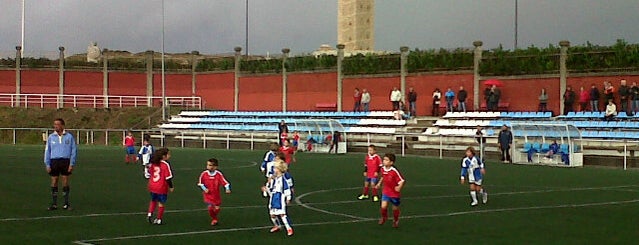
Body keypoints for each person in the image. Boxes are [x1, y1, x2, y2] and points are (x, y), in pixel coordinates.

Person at [44, 118, 78, 211]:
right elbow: (47, 151)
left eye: (57, 124)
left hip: (65, 161)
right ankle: (54, 204)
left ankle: (66, 203)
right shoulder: (51, 137)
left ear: (62, 126)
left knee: (65, 181)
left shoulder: (69, 137)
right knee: (54, 181)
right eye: (54, 124)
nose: (55, 126)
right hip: (54, 161)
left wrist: (71, 163)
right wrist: (47, 164)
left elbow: (73, 150)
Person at [262, 163, 294, 236]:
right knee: (272, 214)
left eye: (275, 168)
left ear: (279, 170)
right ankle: (277, 225)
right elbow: (271, 188)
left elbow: (286, 189)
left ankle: (289, 228)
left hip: (280, 198)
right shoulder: (274, 179)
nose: (274, 169)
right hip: (273, 198)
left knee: (282, 214)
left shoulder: (283, 179)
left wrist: (288, 198)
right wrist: (266, 189)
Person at [375, 153, 405, 228]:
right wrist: (379, 183)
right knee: (383, 206)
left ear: (391, 162)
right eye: (384, 159)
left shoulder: (394, 171)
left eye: (386, 160)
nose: (384, 161)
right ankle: (384, 217)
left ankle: (395, 220)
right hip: (386, 191)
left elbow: (402, 180)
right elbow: (383, 177)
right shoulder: (382, 169)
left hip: (394, 193)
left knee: (395, 208)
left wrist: (399, 187)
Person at [197, 158, 231, 226]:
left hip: (216, 195)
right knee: (210, 208)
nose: (209, 167)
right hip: (208, 195)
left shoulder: (218, 174)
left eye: (211, 165)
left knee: (217, 209)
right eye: (208, 165)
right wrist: (204, 189)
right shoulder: (204, 174)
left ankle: (214, 217)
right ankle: (214, 219)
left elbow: (225, 182)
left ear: (215, 166)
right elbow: (200, 183)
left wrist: (227, 188)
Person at [146, 148, 173, 225]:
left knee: (153, 200)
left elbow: (149, 173)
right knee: (161, 203)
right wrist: (171, 187)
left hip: (152, 186)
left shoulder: (154, 163)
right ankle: (159, 219)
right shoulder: (165, 164)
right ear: (164, 156)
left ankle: (149, 214)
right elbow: (168, 178)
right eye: (168, 154)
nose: (169, 156)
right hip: (161, 187)